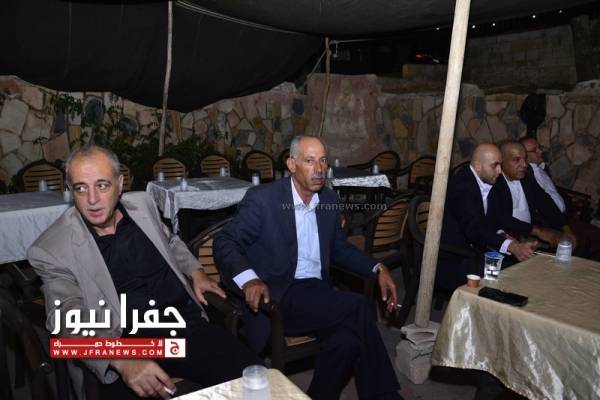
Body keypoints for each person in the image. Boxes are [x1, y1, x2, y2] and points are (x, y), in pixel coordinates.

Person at [28, 145, 260, 400]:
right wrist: (121, 358)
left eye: (102, 185)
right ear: (70, 190)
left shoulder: (142, 204)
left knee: (256, 382)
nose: (92, 199)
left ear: (120, 184)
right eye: (81, 188)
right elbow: (66, 319)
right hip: (122, 342)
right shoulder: (52, 248)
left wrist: (195, 272)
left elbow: (170, 241)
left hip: (182, 326)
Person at [214, 135, 402, 400]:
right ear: (292, 165)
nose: (319, 169)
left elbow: (339, 248)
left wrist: (378, 267)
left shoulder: (328, 200)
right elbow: (225, 242)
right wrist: (249, 279)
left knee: (347, 342)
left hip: (316, 295)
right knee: (358, 305)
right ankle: (385, 396)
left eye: (323, 161)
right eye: (310, 161)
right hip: (278, 294)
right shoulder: (264, 199)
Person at [439, 143, 536, 290]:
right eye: (495, 165)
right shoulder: (461, 186)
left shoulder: (487, 181)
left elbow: (494, 220)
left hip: (475, 251)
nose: (499, 171)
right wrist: (512, 246)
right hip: (454, 258)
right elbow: (474, 229)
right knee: (508, 277)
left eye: (500, 165)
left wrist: (509, 239)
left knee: (518, 269)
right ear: (478, 166)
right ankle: (483, 300)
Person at [520, 137, 600, 260]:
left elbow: (553, 191)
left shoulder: (542, 168)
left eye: (539, 147)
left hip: (565, 217)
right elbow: (543, 202)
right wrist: (563, 227)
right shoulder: (525, 174)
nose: (540, 151)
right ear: (524, 155)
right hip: (551, 222)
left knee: (595, 236)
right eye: (535, 150)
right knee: (585, 242)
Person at [487, 140, 576, 248]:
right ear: (501, 161)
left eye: (525, 159)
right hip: (503, 239)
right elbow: (501, 219)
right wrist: (538, 231)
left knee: (566, 244)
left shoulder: (527, 176)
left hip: (528, 234)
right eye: (516, 160)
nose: (524, 164)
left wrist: (565, 228)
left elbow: (545, 201)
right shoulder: (493, 181)